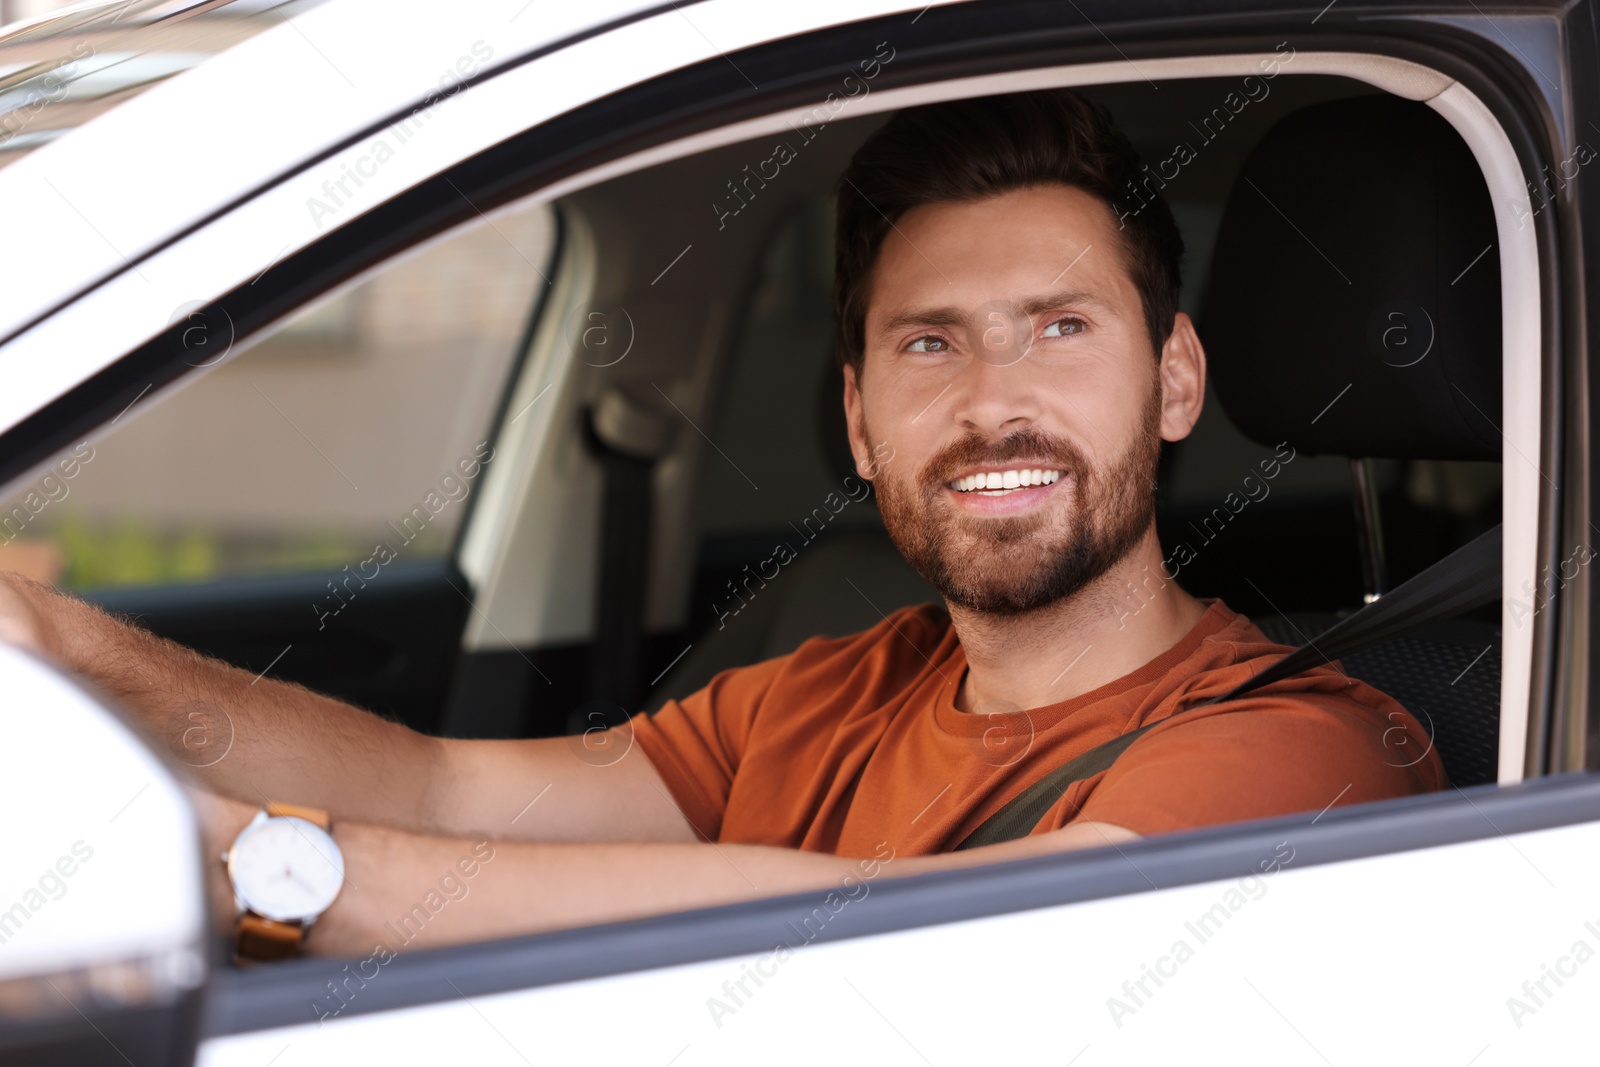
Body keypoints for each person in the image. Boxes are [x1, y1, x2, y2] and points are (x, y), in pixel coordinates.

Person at [0, 89, 1444, 960]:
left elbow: (923, 947)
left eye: (1059, 330)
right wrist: (61, 642)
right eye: (929, 345)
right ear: (862, 415)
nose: (993, 402)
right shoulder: (843, 684)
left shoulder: (1307, 747)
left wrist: (255, 869)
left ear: (1175, 379)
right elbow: (441, 795)